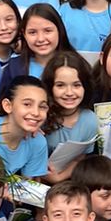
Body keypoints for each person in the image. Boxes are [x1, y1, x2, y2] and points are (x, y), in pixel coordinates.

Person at [41, 52, 98, 180]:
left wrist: (59, 178)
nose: (69, 93)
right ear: (50, 87)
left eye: (76, 85)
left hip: (69, 180)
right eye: (60, 85)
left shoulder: (89, 120)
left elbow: (80, 158)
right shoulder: (40, 115)